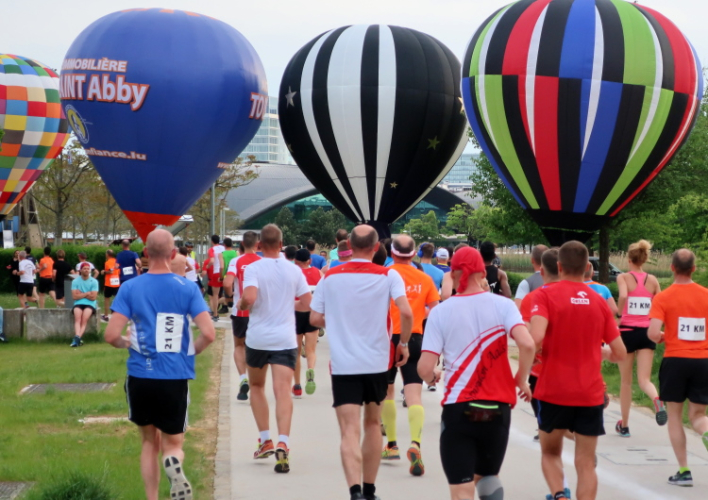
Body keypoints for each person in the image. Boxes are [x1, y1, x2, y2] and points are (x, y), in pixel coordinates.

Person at [104, 229, 215, 500]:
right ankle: (172, 460)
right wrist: (191, 353)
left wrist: (126, 342)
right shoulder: (187, 288)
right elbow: (209, 333)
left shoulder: (130, 288)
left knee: (148, 442)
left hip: (140, 376)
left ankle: (151, 497)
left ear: (145, 253)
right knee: (173, 443)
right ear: (173, 254)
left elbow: (111, 335)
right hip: (174, 376)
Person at [419, 246, 535, 500]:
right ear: (482, 273)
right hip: (497, 408)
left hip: (460, 407)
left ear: (453, 273)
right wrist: (521, 378)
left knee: (462, 489)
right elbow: (527, 344)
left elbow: (424, 368)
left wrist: (432, 376)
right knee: (487, 479)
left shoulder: (440, 312)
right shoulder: (503, 305)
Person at [310, 224, 413, 500]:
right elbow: (406, 312)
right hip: (377, 362)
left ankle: (354, 492)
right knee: (372, 424)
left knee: (349, 430)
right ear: (376, 248)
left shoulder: (330, 276)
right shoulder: (388, 275)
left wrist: (339, 320)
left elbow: (314, 318)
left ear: (349, 246)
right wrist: (403, 344)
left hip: (344, 364)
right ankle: (370, 490)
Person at [530, 241, 626, 500]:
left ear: (559, 266)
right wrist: (602, 353)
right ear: (587, 268)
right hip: (589, 393)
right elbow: (619, 352)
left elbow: (535, 339)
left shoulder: (544, 295)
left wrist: (531, 360)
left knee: (550, 453)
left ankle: (560, 495)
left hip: (553, 390)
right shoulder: (599, 301)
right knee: (585, 464)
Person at [237, 224, 311, 473]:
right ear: (281, 244)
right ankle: (284, 442)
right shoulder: (294, 270)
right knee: (282, 392)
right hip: (285, 339)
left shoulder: (254, 268)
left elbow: (249, 298)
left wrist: (242, 304)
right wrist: (288, 306)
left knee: (257, 387)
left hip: (258, 338)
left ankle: (265, 438)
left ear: (259, 245)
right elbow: (307, 303)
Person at [648, 249, 708, 487]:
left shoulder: (663, 297)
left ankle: (684, 471)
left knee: (674, 416)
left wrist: (665, 336)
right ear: (694, 269)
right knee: (698, 415)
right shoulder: (706, 295)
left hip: (675, 360)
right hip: (703, 361)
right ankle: (706, 432)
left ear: (672, 268)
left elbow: (653, 333)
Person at [382, 235, 439, 476]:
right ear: (414, 254)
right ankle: (415, 443)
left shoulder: (384, 275)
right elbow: (436, 310)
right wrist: (420, 315)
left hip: (388, 338)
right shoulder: (424, 278)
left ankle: (391, 444)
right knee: (414, 394)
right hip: (415, 337)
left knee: (388, 392)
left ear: (391, 253)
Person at [615, 240, 664, 437]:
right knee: (644, 379)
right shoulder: (653, 280)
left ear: (629, 260)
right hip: (646, 332)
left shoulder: (623, 277)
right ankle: (657, 401)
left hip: (627, 331)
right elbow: (660, 303)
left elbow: (623, 296)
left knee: (626, 382)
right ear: (644, 260)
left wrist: (619, 315)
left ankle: (625, 425)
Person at [223, 231, 260, 402]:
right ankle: (255, 381)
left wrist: (231, 297)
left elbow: (227, 283)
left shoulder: (236, 261)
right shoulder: (262, 262)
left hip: (240, 311)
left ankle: (243, 378)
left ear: (242, 244)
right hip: (258, 311)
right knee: (256, 347)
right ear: (257, 245)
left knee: (239, 345)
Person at [293, 249, 322, 396]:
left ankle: (297, 385)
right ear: (309, 261)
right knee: (311, 351)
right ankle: (310, 370)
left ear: (295, 261)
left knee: (296, 352)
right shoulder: (318, 273)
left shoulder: (293, 274)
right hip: (312, 313)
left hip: (296, 313)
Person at [70, 262, 99, 347]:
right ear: (80, 270)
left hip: (90, 304)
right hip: (78, 303)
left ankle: (77, 338)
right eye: (84, 269)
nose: (86, 270)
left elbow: (93, 297)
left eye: (88, 269)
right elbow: (74, 296)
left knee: (84, 319)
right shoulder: (75, 281)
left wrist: (81, 294)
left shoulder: (94, 281)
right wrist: (87, 293)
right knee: (77, 319)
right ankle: (78, 338)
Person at [100, 249, 120, 322]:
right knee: (117, 299)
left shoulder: (108, 262)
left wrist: (104, 271)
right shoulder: (117, 261)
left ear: (107, 254)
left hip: (109, 283)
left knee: (107, 299)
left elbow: (111, 271)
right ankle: (117, 314)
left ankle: (106, 316)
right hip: (116, 282)